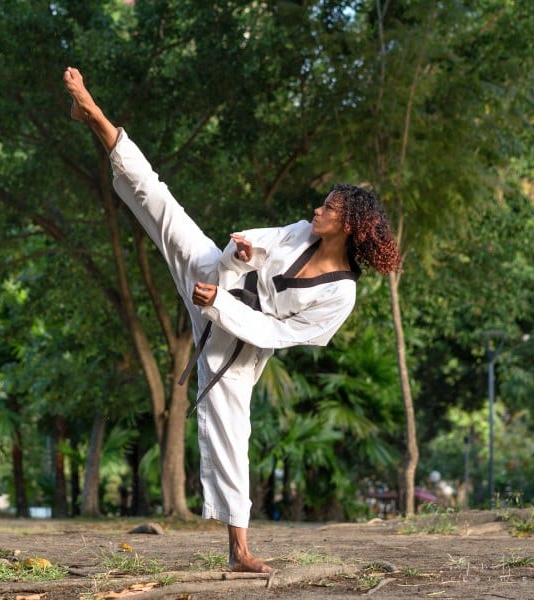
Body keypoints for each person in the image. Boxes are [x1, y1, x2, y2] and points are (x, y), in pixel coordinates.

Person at [63, 66, 400, 573]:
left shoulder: (340, 295)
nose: (318, 208)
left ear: (349, 225)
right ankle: (94, 116)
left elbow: (276, 331)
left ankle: (238, 550)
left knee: (229, 430)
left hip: (238, 341)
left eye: (329, 207)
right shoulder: (304, 232)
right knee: (159, 201)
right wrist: (242, 254)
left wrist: (217, 305)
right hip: (214, 276)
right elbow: (260, 246)